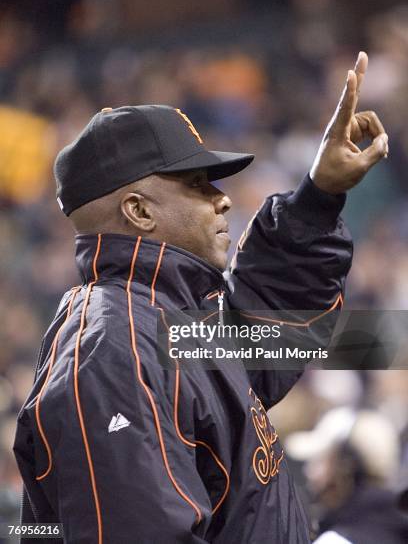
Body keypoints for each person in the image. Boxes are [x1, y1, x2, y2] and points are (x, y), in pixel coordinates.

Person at [13, 53, 388, 543]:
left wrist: (318, 196)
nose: (223, 197)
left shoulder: (161, 317)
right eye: (196, 184)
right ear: (139, 210)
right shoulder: (112, 349)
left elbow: (268, 326)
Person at [286, 407, 408, 544]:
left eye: (321, 460)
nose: (310, 472)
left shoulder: (335, 540)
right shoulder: (399, 529)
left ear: (347, 467)